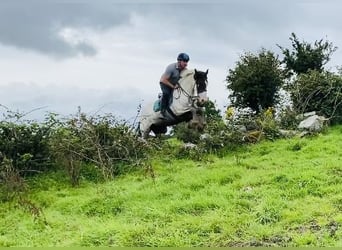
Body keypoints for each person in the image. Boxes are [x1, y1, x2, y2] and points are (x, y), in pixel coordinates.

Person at [159, 52, 190, 117]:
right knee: (167, 94)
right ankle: (162, 111)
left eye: (187, 62)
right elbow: (164, 80)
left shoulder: (185, 70)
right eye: (184, 61)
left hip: (174, 85)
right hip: (165, 83)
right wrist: (173, 87)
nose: (186, 64)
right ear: (179, 61)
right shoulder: (171, 68)